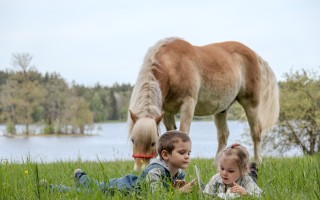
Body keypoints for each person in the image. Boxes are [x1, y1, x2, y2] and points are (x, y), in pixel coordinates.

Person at [44, 130, 196, 194]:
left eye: (189, 152)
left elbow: (168, 189)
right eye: (182, 153)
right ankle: (53, 187)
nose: (187, 156)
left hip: (130, 187)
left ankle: (81, 177)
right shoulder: (155, 171)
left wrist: (179, 186)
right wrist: (179, 193)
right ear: (165, 155)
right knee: (93, 190)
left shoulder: (179, 173)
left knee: (94, 187)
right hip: (123, 188)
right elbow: (156, 195)